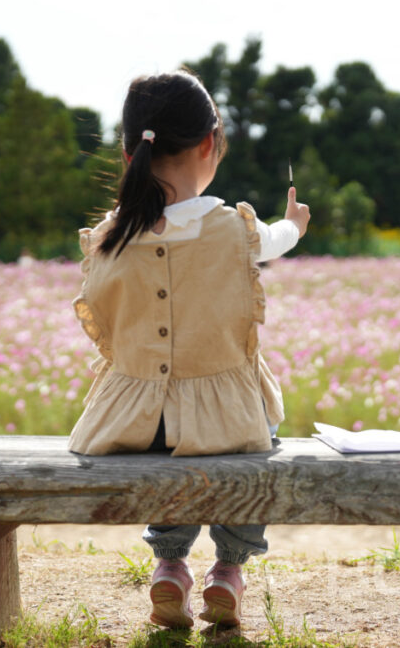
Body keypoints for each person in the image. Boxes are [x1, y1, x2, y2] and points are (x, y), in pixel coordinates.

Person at [68, 70, 310, 630]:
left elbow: (99, 316)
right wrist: (294, 223)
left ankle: (170, 565)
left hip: (133, 418)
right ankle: (227, 570)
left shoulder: (109, 234)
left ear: (131, 154)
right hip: (225, 414)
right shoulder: (232, 228)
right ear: (209, 145)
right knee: (258, 442)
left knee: (168, 448)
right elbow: (278, 238)